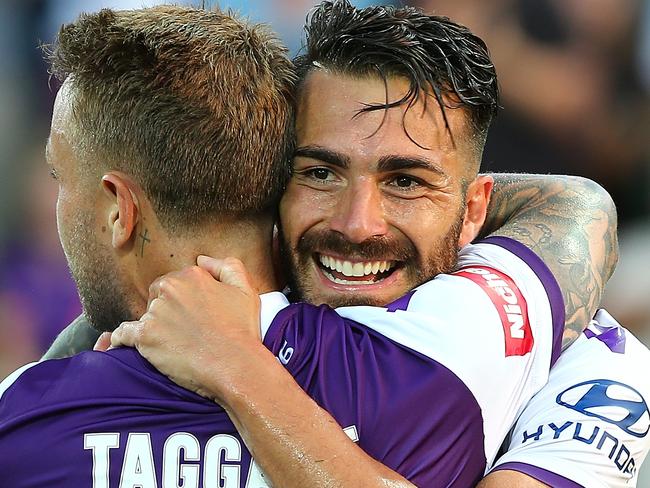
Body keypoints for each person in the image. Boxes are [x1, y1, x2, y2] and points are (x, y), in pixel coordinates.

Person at [9, 2, 642, 487]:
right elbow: (574, 207)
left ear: (476, 208)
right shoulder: (473, 361)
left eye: (406, 182)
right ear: (273, 180)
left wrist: (237, 364)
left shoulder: (581, 366)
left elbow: (580, 207)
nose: (357, 222)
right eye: (320, 172)